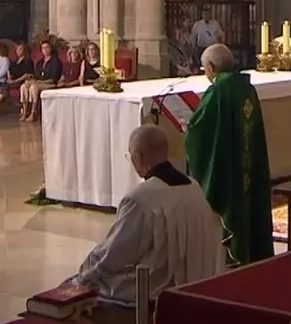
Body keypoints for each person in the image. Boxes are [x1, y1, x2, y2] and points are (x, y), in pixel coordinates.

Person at [67, 126, 224, 304]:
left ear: (138, 157)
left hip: (153, 291)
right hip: (197, 284)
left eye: (131, 157)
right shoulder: (194, 187)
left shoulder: (140, 199)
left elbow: (115, 254)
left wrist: (83, 278)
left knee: (85, 283)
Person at [184, 43, 273, 267]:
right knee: (249, 202)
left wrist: (190, 128)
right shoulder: (246, 87)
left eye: (204, 67)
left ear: (212, 67)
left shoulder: (218, 91)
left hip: (231, 172)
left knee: (232, 204)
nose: (204, 72)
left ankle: (231, 257)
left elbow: (200, 132)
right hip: (248, 165)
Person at [20, 40, 61, 122]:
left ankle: (33, 112)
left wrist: (37, 82)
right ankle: (25, 112)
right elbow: (37, 76)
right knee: (24, 86)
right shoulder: (40, 62)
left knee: (33, 87)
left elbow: (53, 79)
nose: (45, 50)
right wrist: (31, 78)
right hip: (39, 82)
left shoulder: (56, 62)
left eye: (47, 48)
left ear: (51, 49)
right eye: (43, 48)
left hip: (50, 84)